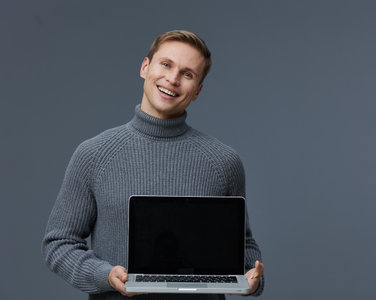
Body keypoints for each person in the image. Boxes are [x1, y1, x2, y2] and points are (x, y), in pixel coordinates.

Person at [42, 30, 264, 300]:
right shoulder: (94, 154)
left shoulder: (223, 161)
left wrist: (251, 277)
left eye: (187, 74)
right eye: (166, 64)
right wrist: (106, 275)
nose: (172, 79)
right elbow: (59, 244)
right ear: (145, 67)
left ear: (197, 91)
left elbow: (243, 244)